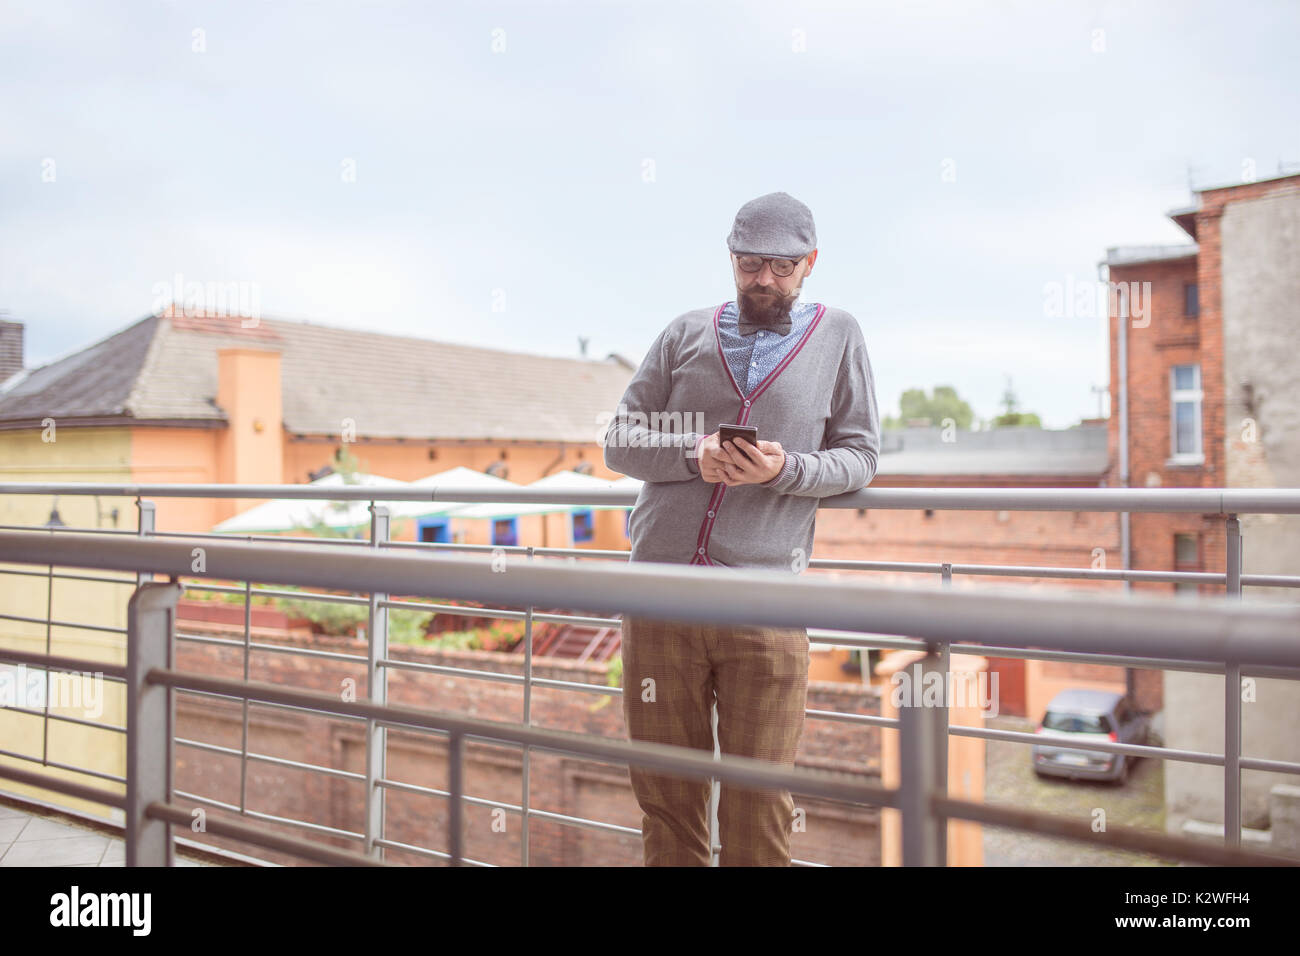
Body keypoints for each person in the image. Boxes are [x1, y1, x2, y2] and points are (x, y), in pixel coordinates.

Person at [602, 191, 881, 866]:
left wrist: (787, 469)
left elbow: (861, 456)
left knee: (760, 805)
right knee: (666, 801)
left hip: (765, 604)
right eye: (750, 263)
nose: (764, 280)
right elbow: (618, 439)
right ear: (730, 259)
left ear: (810, 263)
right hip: (661, 596)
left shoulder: (839, 335)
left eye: (781, 267)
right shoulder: (683, 334)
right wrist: (693, 453)